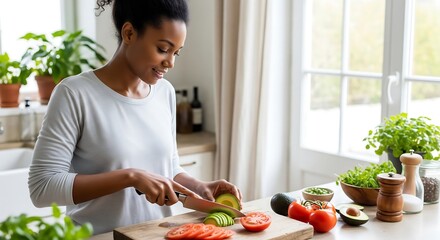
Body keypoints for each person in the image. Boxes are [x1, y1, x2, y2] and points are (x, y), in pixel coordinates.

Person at [28, 0, 242, 235]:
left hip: (158, 235)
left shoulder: (165, 92)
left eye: (176, 52)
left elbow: (167, 167)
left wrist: (199, 187)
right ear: (129, 33)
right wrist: (130, 176)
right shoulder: (74, 94)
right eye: (162, 49)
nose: (170, 62)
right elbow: (42, 187)